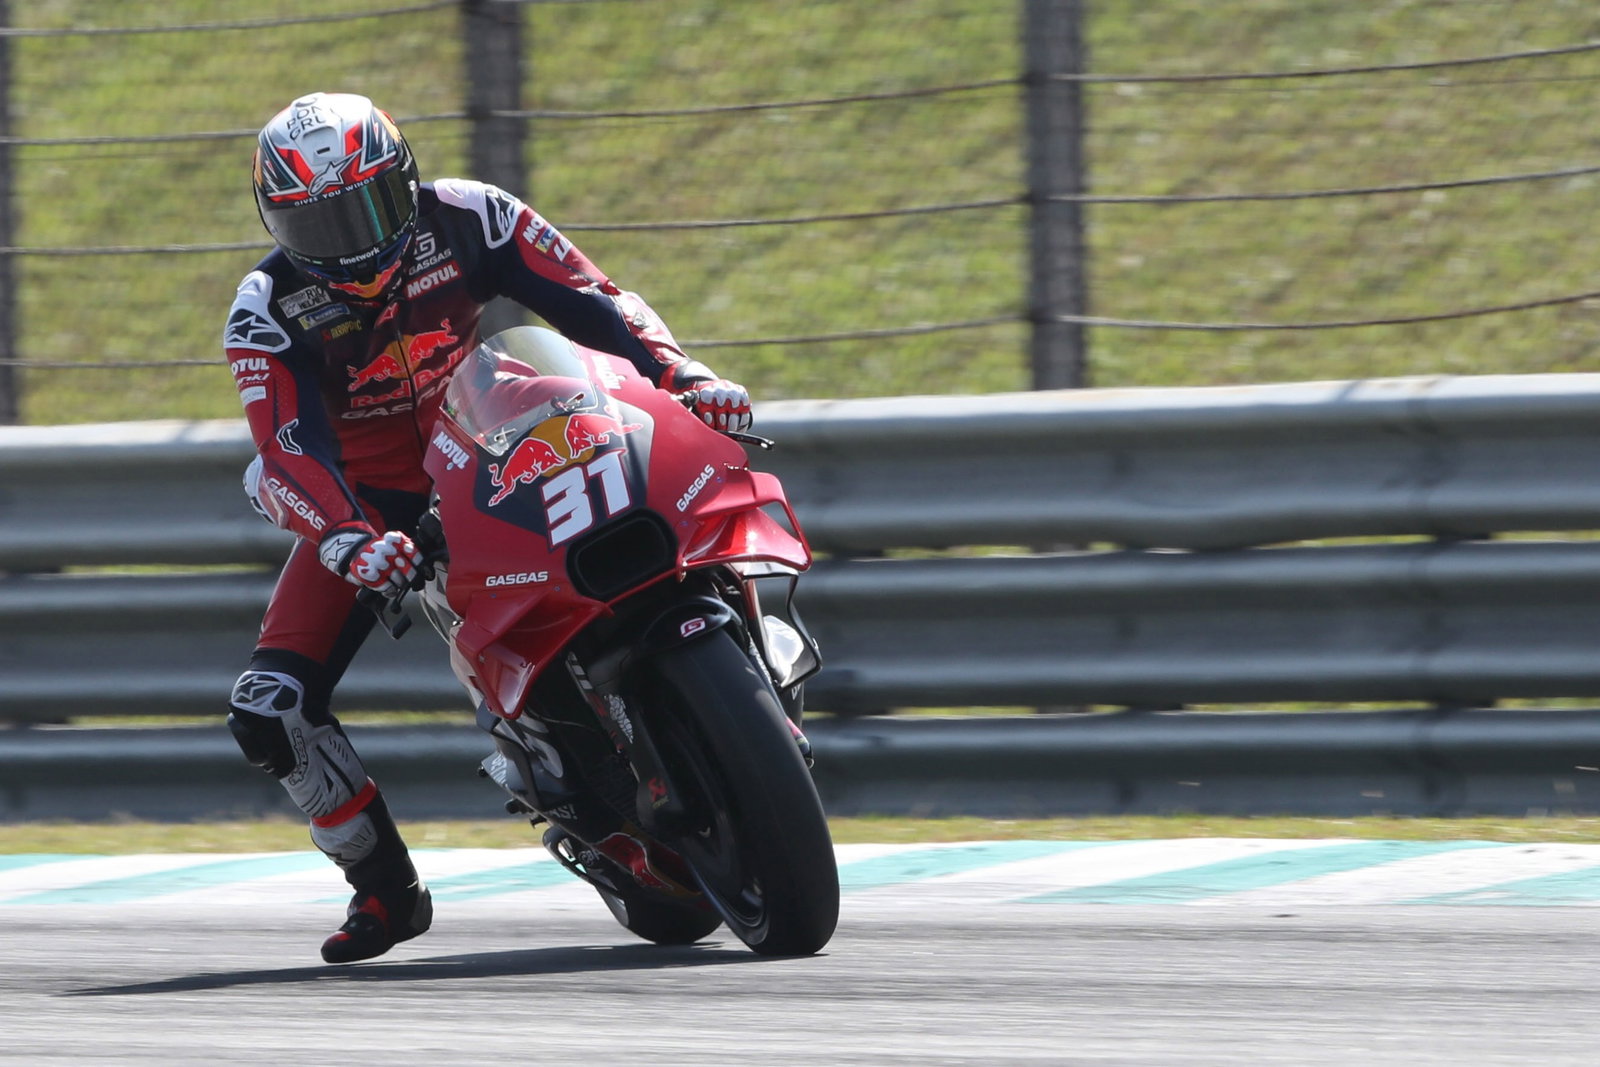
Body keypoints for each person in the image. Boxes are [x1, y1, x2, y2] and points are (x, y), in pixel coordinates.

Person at [223, 92, 753, 964]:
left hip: (505, 433)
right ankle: (386, 889)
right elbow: (286, 450)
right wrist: (348, 534)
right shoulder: (266, 309)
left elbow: (594, 300)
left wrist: (681, 371)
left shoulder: (475, 215)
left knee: (673, 472)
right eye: (315, 224)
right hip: (383, 503)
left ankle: (737, 636)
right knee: (267, 710)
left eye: (365, 209)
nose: (348, 244)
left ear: (406, 182)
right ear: (273, 220)